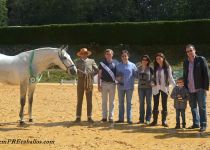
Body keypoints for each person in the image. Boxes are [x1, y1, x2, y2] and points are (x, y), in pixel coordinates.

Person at [183, 44, 209, 132]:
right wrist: (185, 87)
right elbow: (185, 75)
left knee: (202, 107)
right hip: (190, 88)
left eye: (191, 50)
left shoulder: (201, 59)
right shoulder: (185, 62)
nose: (189, 52)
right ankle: (196, 123)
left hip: (200, 88)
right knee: (193, 106)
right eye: (187, 51)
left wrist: (206, 88)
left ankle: (203, 124)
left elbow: (206, 74)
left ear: (194, 50)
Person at [150, 52, 176, 127]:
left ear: (163, 58)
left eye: (159, 58)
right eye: (157, 58)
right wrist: (152, 82)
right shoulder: (155, 67)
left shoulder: (167, 67)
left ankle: (163, 121)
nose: (158, 60)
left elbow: (170, 78)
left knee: (164, 104)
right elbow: (152, 78)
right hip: (156, 88)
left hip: (164, 88)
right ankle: (154, 121)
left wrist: (175, 87)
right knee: (155, 104)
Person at [74, 48, 98, 123]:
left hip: (89, 81)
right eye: (82, 53)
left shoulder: (91, 61)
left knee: (89, 100)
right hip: (80, 81)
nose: (84, 54)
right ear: (80, 54)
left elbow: (97, 70)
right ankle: (78, 117)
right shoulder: (76, 61)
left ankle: (89, 116)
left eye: (85, 53)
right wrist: (81, 73)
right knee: (79, 99)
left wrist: (90, 74)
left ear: (87, 54)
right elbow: (74, 71)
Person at [115, 50, 137, 124]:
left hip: (129, 87)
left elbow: (136, 75)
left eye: (125, 56)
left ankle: (129, 119)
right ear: (121, 57)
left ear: (128, 56)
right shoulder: (118, 65)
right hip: (120, 87)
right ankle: (121, 119)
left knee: (129, 103)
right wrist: (117, 78)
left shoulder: (133, 65)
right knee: (121, 103)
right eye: (123, 56)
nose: (124, 57)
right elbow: (116, 75)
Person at [98, 49, 118, 123]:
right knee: (104, 101)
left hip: (112, 84)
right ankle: (104, 117)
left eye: (109, 54)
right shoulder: (102, 63)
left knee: (112, 102)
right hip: (104, 84)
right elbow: (99, 75)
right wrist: (98, 85)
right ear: (105, 55)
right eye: (107, 54)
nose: (108, 55)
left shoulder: (116, 63)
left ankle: (111, 117)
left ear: (112, 55)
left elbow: (118, 74)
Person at [137, 55, 153, 125]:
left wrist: (153, 82)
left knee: (149, 103)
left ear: (148, 61)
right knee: (141, 104)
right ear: (141, 60)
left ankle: (148, 119)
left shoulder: (150, 68)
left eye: (146, 60)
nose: (144, 61)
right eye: (143, 59)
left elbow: (154, 77)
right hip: (140, 88)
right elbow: (134, 76)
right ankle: (141, 119)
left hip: (148, 88)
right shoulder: (138, 68)